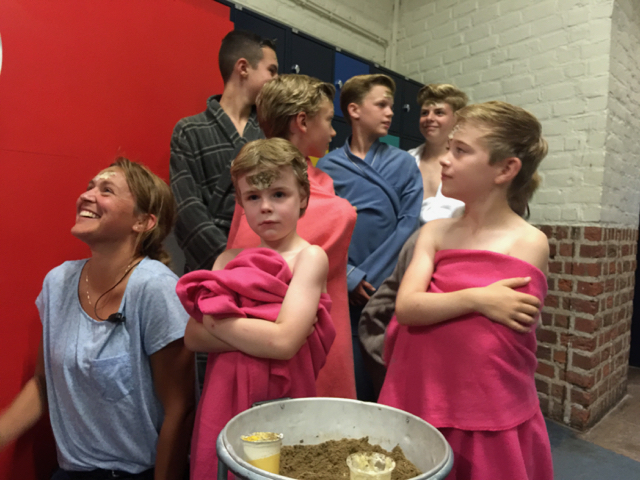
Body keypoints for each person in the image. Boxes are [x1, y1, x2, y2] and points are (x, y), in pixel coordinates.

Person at [378, 101, 553, 480]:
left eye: (460, 151)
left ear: (505, 169)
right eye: (449, 148)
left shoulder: (528, 241)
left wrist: (441, 306)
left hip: (484, 411)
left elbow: (490, 341)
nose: (444, 159)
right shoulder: (434, 232)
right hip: (419, 397)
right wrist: (478, 298)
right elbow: (407, 307)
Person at [0, 159, 195, 480]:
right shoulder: (58, 282)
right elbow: (44, 384)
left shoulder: (155, 288)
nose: (87, 196)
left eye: (106, 190)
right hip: (70, 472)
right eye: (90, 186)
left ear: (143, 221)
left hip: (137, 473)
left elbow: (180, 407)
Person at [176, 138, 335, 480]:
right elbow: (192, 337)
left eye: (279, 194)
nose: (265, 207)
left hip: (283, 401)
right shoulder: (227, 259)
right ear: (241, 203)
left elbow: (283, 343)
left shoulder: (310, 257)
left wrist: (217, 325)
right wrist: (267, 327)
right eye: (253, 197)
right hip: (223, 397)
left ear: (302, 197)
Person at [226, 74, 358, 399]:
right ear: (302, 121)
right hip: (300, 348)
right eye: (328, 119)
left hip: (261, 339)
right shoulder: (334, 209)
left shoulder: (254, 190)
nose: (333, 131)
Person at [317, 73, 423, 401]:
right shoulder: (328, 166)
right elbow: (320, 229)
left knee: (388, 373)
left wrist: (371, 276)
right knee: (349, 376)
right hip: (343, 287)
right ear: (354, 110)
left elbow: (409, 223)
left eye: (391, 106)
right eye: (381, 105)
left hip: (387, 284)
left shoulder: (404, 163)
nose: (390, 112)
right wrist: (349, 276)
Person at [358, 83, 468, 398]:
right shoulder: (405, 160)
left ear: (457, 118)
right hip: (405, 266)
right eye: (424, 112)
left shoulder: (466, 165)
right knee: (396, 343)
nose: (429, 118)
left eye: (439, 112)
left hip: (450, 269)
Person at [170, 30, 278, 274]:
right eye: (272, 70)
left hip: (262, 266)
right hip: (208, 268)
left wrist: (256, 267)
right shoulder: (189, 130)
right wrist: (230, 264)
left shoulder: (270, 132)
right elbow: (185, 208)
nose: (277, 79)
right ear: (243, 68)